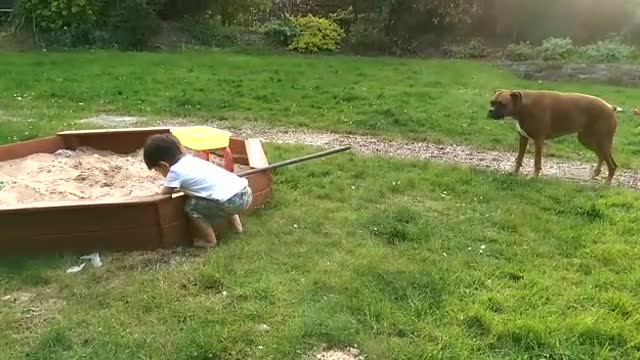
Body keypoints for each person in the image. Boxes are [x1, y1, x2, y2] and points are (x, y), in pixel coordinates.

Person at [143, 133, 252, 248]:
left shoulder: (174, 171)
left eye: (156, 170)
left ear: (164, 165)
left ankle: (209, 241)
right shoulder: (191, 160)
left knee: (191, 207)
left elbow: (166, 192)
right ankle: (238, 229)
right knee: (222, 192)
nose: (159, 173)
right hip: (244, 193)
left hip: (231, 201)